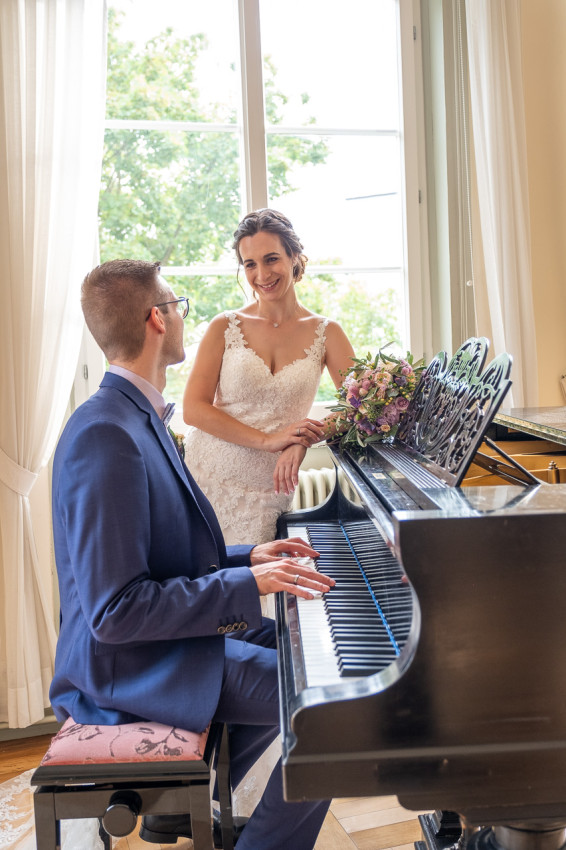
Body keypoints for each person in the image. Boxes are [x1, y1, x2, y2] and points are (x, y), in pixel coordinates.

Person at [49, 259, 335, 850]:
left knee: (291, 638)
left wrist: (250, 559)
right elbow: (117, 612)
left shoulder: (135, 415)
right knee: (331, 712)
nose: (182, 314)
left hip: (155, 649)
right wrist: (250, 586)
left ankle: (183, 804)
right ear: (157, 319)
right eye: (176, 303)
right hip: (125, 670)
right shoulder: (106, 433)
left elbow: (165, 558)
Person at [183, 208, 356, 547]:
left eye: (271, 259)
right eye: (250, 264)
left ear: (295, 257)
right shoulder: (224, 326)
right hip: (209, 476)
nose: (261, 274)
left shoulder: (327, 333)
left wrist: (302, 439)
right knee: (211, 588)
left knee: (265, 595)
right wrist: (268, 440)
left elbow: (362, 411)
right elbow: (193, 409)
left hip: (271, 487)